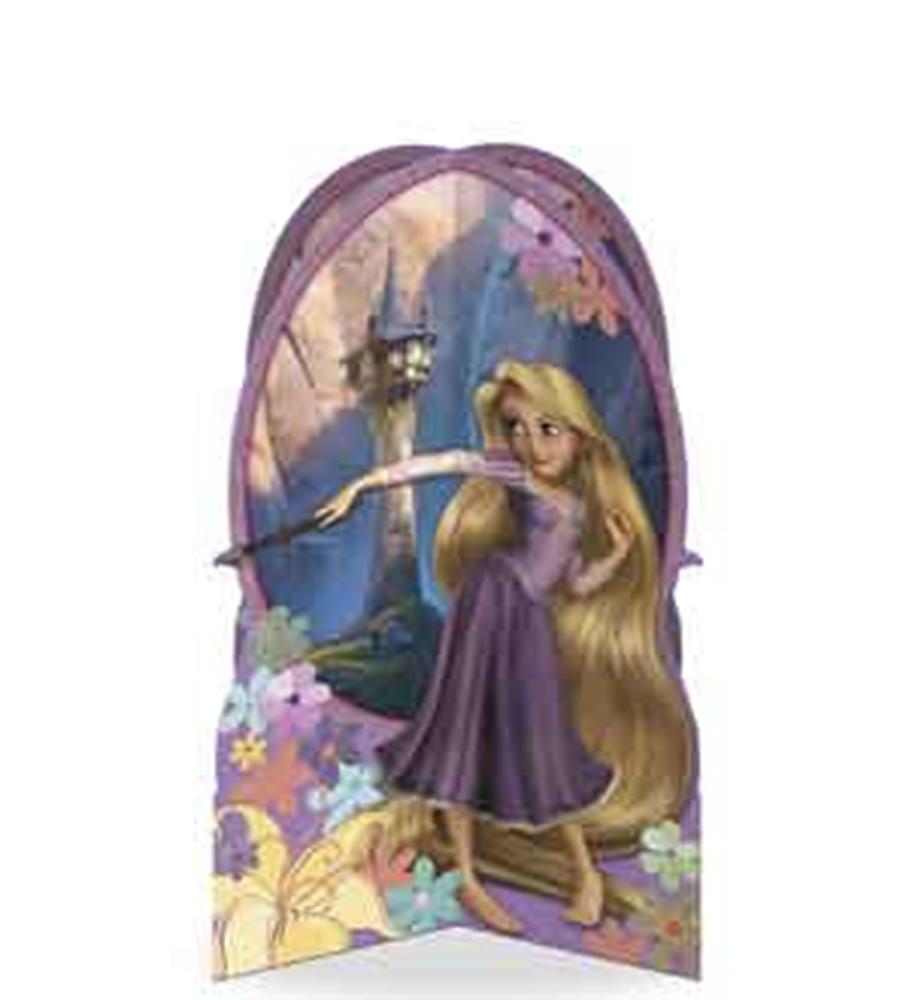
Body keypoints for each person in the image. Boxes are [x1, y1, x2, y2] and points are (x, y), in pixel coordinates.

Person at [313, 359, 692, 933]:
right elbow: (446, 462)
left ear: (579, 435)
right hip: (489, 606)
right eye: (516, 426)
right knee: (464, 732)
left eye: (547, 429)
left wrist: (616, 557)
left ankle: (584, 873)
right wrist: (363, 484)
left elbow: (574, 583)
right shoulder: (515, 476)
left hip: (529, 623)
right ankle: (468, 875)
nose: (529, 443)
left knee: (545, 742)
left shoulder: (581, 506)